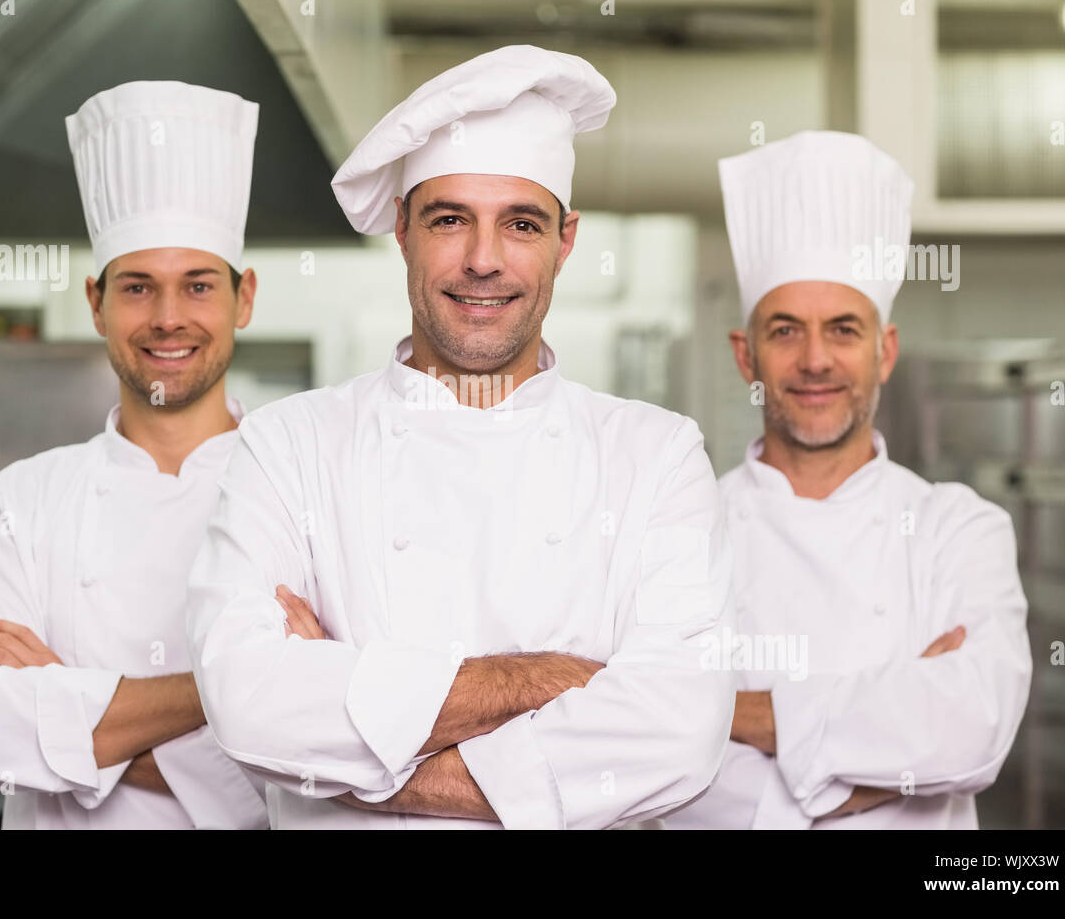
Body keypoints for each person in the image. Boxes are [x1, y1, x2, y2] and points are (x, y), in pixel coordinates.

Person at [185, 45, 735, 830]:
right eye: (450, 220)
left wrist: (356, 765)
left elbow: (679, 732)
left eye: (520, 223)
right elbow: (247, 703)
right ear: (403, 230)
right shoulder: (288, 447)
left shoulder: (656, 455)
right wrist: (549, 678)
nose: (484, 260)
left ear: (565, 240)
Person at [663, 130, 1032, 829]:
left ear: (884, 350)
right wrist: (882, 748)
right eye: (784, 331)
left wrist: (736, 714)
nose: (814, 360)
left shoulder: (959, 527)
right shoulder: (679, 529)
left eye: (842, 329)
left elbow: (972, 730)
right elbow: (658, 763)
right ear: (746, 356)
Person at [0, 81, 268, 829]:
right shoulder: (21, 501)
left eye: (198, 286)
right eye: (138, 286)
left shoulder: (302, 486)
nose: (169, 318)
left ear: (243, 298)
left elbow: (324, 761)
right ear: (96, 301)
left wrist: (66, 696)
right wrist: (234, 697)